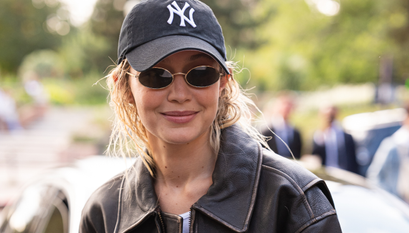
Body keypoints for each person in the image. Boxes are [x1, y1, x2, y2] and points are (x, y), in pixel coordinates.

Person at [80, 0, 342, 232]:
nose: (180, 94)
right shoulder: (104, 213)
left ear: (223, 82)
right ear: (123, 86)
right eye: (157, 75)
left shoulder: (295, 202)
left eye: (201, 73)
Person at [367, 102, 409, 207]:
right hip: (402, 206)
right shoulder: (393, 144)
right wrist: (390, 201)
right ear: (407, 118)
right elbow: (375, 177)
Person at [312, 105, 359, 174]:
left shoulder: (344, 136)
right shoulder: (317, 136)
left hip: (344, 173)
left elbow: (352, 159)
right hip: (325, 173)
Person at [262, 91, 302, 159]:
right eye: (284, 105)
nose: (286, 108)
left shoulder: (296, 132)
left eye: (289, 106)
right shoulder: (267, 130)